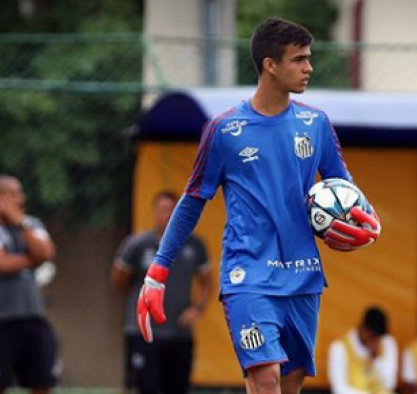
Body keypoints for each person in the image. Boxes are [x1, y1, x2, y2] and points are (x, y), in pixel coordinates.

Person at [136, 17, 381, 394]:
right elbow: (192, 201)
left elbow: (344, 188)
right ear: (270, 65)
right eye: (299, 59)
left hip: (303, 274)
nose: (309, 68)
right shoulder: (224, 130)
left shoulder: (316, 124)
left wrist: (365, 215)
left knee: (290, 381)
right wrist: (158, 270)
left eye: (309, 58)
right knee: (265, 379)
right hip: (247, 276)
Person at [0, 174, 58, 394]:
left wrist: (21, 225)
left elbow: (47, 252)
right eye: (14, 193)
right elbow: (1, 264)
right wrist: (34, 259)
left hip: (33, 315)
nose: (21, 199)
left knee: (42, 382)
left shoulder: (30, 224)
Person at [112, 191, 212, 394]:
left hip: (178, 331)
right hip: (145, 332)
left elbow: (208, 281)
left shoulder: (194, 244)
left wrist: (197, 308)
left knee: (177, 386)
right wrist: (140, 302)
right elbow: (121, 279)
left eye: (171, 211)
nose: (165, 215)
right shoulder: (138, 244)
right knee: (147, 386)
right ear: (154, 212)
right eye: (162, 210)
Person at [328, 307, 398, 394]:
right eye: (372, 335)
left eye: (378, 337)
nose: (375, 339)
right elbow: (338, 389)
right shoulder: (339, 347)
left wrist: (376, 358)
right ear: (363, 328)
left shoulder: (387, 342)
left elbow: (389, 384)